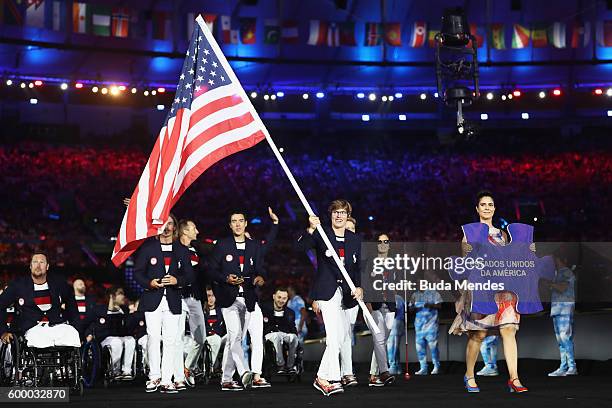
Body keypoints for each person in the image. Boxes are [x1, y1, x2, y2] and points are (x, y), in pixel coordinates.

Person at [449, 190, 529, 393]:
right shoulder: (469, 233)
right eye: (483, 204)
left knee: (509, 329)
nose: (487, 208)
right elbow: (467, 263)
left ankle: (514, 379)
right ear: (477, 209)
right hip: (483, 289)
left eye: (490, 204)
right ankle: (469, 374)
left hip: (504, 288)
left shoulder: (503, 234)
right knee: (479, 334)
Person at [296, 199, 363, 396]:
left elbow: (357, 267)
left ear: (347, 215)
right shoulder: (322, 234)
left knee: (342, 337)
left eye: (342, 212)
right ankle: (327, 378)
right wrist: (310, 229)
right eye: (335, 212)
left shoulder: (355, 239)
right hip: (327, 292)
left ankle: (323, 377)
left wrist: (359, 286)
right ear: (331, 215)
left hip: (347, 294)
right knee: (334, 338)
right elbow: (300, 247)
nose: (339, 215)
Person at [133, 214, 194, 394]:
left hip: (173, 299)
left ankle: (167, 379)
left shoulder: (181, 249)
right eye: (163, 224)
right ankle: (154, 376)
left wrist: (177, 280)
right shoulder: (148, 247)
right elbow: (137, 272)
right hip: (152, 299)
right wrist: (149, 283)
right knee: (152, 338)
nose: (166, 227)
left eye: (170, 224)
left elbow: (190, 275)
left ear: (175, 227)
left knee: (170, 341)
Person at [209, 211, 265, 391]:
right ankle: (244, 372)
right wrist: (226, 278)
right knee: (235, 335)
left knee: (236, 339)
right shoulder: (222, 245)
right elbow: (211, 270)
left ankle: (226, 379)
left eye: (241, 221)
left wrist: (260, 277)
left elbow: (261, 268)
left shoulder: (254, 246)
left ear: (246, 223)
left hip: (248, 298)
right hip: (228, 299)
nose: (238, 224)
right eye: (234, 221)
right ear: (230, 225)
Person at [0, 252, 80, 349]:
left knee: (72, 333)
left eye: (41, 262)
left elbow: (71, 303)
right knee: (39, 338)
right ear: (30, 266)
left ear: (47, 266)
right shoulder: (18, 285)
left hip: (55, 325)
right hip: (29, 328)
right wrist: (3, 331)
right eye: (35, 262)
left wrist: (74, 324)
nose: (38, 265)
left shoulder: (59, 284)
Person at [241, 207, 278, 388]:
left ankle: (256, 374)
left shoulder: (255, 252)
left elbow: (269, 244)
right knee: (237, 340)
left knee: (257, 338)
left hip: (252, 301)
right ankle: (239, 374)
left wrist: (275, 224)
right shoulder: (227, 252)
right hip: (233, 302)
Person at [177, 219, 207, 388]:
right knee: (178, 337)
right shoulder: (174, 249)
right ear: (185, 231)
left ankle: (188, 366)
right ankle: (176, 374)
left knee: (200, 338)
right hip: (178, 297)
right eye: (194, 228)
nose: (197, 231)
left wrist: (202, 298)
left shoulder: (197, 249)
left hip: (195, 298)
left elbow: (201, 277)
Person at [87, 286, 135, 380]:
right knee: (116, 342)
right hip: (105, 338)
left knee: (131, 340)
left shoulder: (124, 310)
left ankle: (127, 371)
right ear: (112, 296)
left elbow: (129, 327)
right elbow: (88, 323)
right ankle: (115, 370)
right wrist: (87, 334)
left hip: (120, 336)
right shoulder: (99, 309)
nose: (123, 296)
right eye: (120, 294)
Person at [367, 233, 396, 386]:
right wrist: (368, 305)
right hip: (374, 306)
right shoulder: (369, 263)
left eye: (386, 241)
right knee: (379, 339)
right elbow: (365, 284)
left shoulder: (394, 263)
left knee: (381, 342)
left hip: (390, 307)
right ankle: (384, 372)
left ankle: (373, 375)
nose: (383, 244)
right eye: (380, 241)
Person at [548, 253, 578, 377]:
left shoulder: (566, 272)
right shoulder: (556, 273)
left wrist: (550, 284)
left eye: (555, 259)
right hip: (556, 308)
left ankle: (572, 366)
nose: (553, 262)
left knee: (565, 337)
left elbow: (562, 287)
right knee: (560, 339)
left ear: (561, 260)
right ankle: (563, 366)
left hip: (565, 307)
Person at [409, 274, 443, 375]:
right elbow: (410, 309)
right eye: (418, 283)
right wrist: (413, 307)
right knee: (420, 348)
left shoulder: (434, 293)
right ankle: (423, 367)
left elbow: (440, 305)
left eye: (421, 283)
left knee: (433, 347)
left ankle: (436, 366)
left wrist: (430, 305)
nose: (419, 285)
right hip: (419, 327)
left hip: (431, 326)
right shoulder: (415, 295)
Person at [262, 287, 299, 373]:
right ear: (274, 296)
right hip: (269, 334)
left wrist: (295, 337)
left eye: (284, 298)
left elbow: (293, 329)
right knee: (277, 336)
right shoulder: (264, 309)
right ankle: (280, 364)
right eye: (279, 297)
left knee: (293, 337)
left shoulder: (290, 312)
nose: (281, 300)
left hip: (284, 334)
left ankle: (290, 366)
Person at [204, 287, 226, 371]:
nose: (211, 298)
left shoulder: (221, 310)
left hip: (220, 336)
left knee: (232, 339)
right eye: (208, 296)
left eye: (213, 296)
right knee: (215, 339)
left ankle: (225, 367)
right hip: (206, 337)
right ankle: (212, 366)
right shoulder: (201, 310)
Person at [73, 278, 96, 343]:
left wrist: (89, 333)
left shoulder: (91, 300)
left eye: (83, 284)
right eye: (80, 284)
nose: (83, 285)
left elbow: (93, 319)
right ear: (75, 286)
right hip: (74, 332)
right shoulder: (69, 301)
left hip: (88, 333)